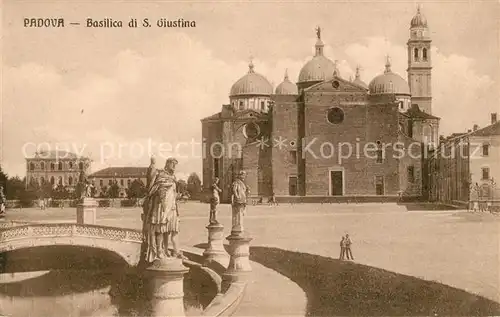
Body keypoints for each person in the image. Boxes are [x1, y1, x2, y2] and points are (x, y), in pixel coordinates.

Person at [142, 157, 183, 262]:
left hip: (172, 207)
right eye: (172, 164)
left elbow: (172, 194)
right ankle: (159, 250)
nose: (174, 166)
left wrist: (178, 197)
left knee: (168, 230)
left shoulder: (173, 177)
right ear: (167, 164)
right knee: (160, 229)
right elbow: (154, 189)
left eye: (175, 164)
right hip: (161, 207)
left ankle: (166, 249)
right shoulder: (161, 175)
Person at [230, 170, 250, 235]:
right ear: (240, 175)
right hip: (238, 201)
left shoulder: (243, 183)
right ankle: (237, 228)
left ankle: (240, 227)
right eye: (243, 175)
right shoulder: (236, 182)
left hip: (242, 200)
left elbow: (244, 192)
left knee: (241, 214)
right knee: (238, 215)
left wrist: (248, 191)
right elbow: (234, 190)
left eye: (244, 175)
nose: (244, 176)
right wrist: (237, 197)